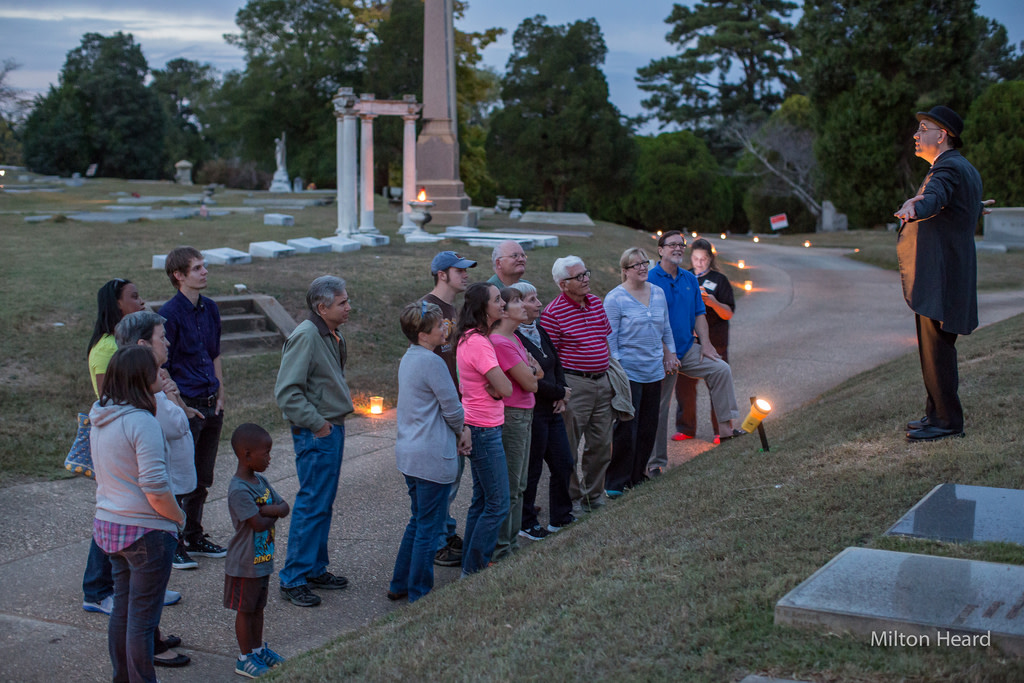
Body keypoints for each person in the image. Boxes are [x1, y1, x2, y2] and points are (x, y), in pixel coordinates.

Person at [82, 283, 183, 669]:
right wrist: (177, 517)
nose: (161, 375)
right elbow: (155, 485)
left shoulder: (101, 416)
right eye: (155, 372)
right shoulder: (143, 421)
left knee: (123, 614)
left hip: (109, 525)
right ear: (142, 377)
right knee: (143, 622)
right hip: (144, 529)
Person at [893, 105, 983, 442]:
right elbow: (956, 202)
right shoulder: (963, 168)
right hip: (949, 273)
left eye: (923, 129)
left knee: (938, 350)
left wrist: (916, 205)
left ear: (942, 135)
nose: (916, 135)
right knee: (935, 349)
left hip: (940, 276)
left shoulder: (946, 168)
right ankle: (936, 414)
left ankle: (947, 421)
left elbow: (935, 196)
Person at [274, 276, 354, 606]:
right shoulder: (306, 336)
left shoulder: (330, 334)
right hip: (317, 431)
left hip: (330, 427)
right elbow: (287, 393)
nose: (349, 307)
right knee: (311, 503)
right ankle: (293, 578)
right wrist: (319, 425)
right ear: (322, 308)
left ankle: (314, 568)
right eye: (342, 303)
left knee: (322, 503)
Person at [389, 302, 468, 602]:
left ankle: (400, 583)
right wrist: (463, 431)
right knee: (429, 527)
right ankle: (419, 592)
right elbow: (452, 409)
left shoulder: (410, 358)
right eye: (439, 326)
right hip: (431, 454)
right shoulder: (433, 362)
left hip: (410, 454)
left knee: (418, 520)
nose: (445, 328)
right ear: (423, 334)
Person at [649, 231, 743, 476]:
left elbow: (700, 314)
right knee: (659, 406)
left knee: (721, 368)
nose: (678, 249)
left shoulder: (690, 279)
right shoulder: (650, 279)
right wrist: (666, 352)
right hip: (659, 353)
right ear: (660, 250)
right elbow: (648, 323)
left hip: (687, 349)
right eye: (672, 245)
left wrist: (707, 345)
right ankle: (655, 463)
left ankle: (725, 432)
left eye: (681, 245)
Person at [161, 246, 227, 569]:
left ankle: (194, 534)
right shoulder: (169, 314)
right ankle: (172, 542)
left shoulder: (211, 309)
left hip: (212, 402)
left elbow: (215, 354)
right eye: (197, 268)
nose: (204, 272)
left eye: (204, 266)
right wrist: (179, 406)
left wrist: (222, 394)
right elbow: (165, 365)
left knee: (203, 476)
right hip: (186, 405)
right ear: (179, 275)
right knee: (180, 477)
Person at [540, 256, 614, 512]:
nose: (586, 279)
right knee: (568, 447)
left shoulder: (595, 302)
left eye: (586, 273)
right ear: (563, 285)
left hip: (602, 381)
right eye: (578, 276)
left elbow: (603, 339)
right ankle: (571, 498)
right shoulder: (552, 314)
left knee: (602, 444)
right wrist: (561, 390)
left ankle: (594, 497)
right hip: (574, 384)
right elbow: (550, 359)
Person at [604, 248, 677, 495]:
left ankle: (637, 476)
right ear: (624, 270)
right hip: (628, 372)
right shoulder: (615, 298)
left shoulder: (657, 293)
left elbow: (665, 328)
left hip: (654, 370)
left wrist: (671, 353)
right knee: (626, 428)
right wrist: (619, 370)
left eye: (645, 263)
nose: (642, 267)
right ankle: (616, 482)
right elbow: (610, 339)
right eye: (636, 265)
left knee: (648, 426)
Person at [422, 250, 477, 568]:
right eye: (460, 270)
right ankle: (437, 543)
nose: (465, 275)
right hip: (440, 407)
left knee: (452, 476)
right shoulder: (428, 308)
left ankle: (444, 531)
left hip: (456, 401)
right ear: (442, 274)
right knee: (445, 477)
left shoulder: (450, 308)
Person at [455, 283, 513, 575]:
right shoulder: (478, 342)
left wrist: (497, 387)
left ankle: (470, 564)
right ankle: (475, 569)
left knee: (482, 501)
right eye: (497, 299)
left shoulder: (472, 338)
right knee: (498, 503)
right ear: (483, 308)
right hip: (484, 429)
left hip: (478, 426)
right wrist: (498, 388)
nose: (503, 303)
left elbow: (498, 386)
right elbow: (505, 387)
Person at [509, 282, 576, 538]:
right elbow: (531, 378)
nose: (539, 303)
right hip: (534, 412)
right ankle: (527, 522)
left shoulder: (539, 329)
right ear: (517, 303)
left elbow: (556, 362)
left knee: (564, 462)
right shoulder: (515, 337)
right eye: (532, 299)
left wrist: (563, 390)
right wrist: (560, 392)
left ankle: (560, 516)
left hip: (553, 410)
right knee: (532, 468)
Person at [224, 423, 290, 678]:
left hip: (262, 559)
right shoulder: (239, 490)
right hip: (244, 563)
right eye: (266, 453)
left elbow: (284, 506)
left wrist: (266, 509)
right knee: (245, 610)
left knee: (259, 608)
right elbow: (259, 523)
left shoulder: (261, 482)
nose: (270, 458)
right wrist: (271, 511)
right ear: (246, 454)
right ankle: (245, 658)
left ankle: (257, 649)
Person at [491, 288, 541, 560]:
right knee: (510, 487)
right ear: (504, 310)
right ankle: (501, 550)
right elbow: (531, 382)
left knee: (520, 485)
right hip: (512, 417)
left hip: (525, 414)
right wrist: (531, 372)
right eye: (517, 301)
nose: (524, 306)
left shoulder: (515, 339)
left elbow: (539, 372)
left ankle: (510, 545)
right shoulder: (500, 342)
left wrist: (531, 372)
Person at [675, 239, 736, 446]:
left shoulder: (720, 280)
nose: (699, 263)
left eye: (703, 259)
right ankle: (686, 428)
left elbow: (728, 313)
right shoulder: (684, 277)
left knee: (717, 384)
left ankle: (721, 429)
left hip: (715, 341)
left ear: (710, 258)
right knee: (684, 386)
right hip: (689, 342)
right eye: (695, 258)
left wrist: (712, 301)